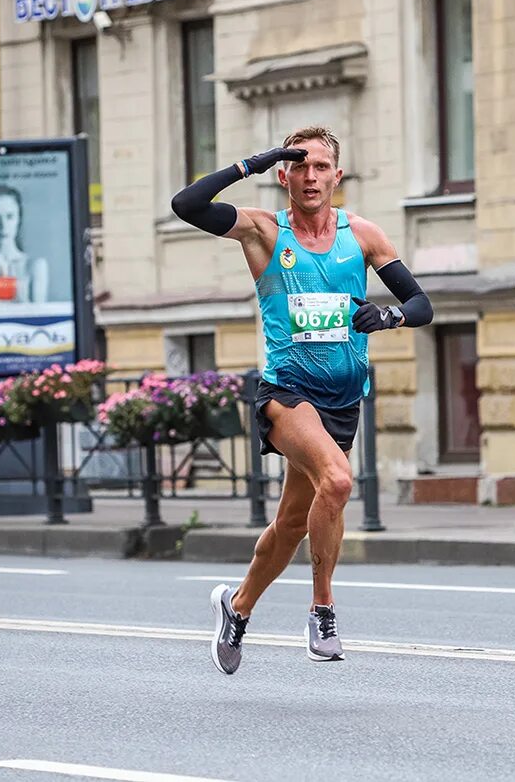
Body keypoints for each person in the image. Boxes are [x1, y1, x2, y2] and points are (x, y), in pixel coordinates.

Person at [171, 126, 434, 674]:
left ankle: (237, 606)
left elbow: (420, 303)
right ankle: (322, 609)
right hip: (288, 393)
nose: (310, 177)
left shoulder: (362, 236)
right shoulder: (263, 231)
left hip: (341, 399)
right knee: (338, 481)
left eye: (321, 168)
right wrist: (254, 162)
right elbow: (187, 204)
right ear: (284, 176)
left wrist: (388, 315)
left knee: (293, 521)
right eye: (299, 167)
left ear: (337, 176)